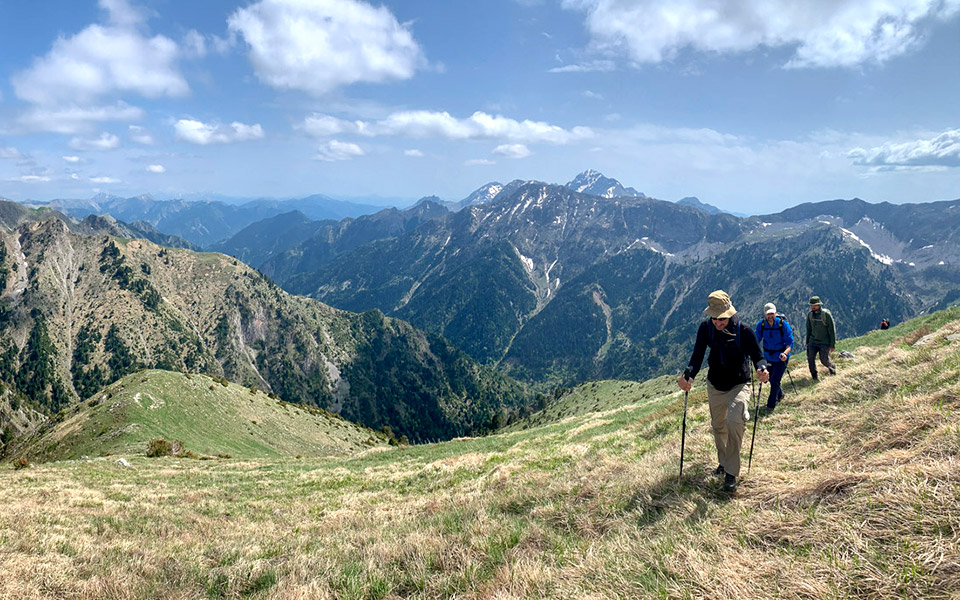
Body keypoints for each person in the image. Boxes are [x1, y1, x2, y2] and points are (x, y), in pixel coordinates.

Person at [677, 290, 769, 492]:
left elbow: (757, 356)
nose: (718, 322)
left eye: (722, 319)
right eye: (714, 318)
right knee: (719, 427)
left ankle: (731, 473)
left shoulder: (744, 331)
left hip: (739, 383)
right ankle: (723, 462)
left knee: (735, 421)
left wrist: (762, 369)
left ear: (730, 314)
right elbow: (697, 356)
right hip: (715, 384)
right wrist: (688, 376)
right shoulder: (706, 329)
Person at [755, 303, 793, 413]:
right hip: (768, 358)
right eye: (768, 314)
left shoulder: (783, 325)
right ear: (764, 314)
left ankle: (771, 405)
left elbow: (790, 342)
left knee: (775, 380)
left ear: (775, 313)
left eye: (772, 314)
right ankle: (780, 395)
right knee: (771, 379)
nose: (770, 316)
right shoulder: (761, 325)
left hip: (781, 358)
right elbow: (756, 340)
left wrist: (785, 354)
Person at [805, 296, 836, 380]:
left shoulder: (826, 315)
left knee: (824, 360)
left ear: (819, 305)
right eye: (811, 305)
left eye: (814, 305)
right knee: (810, 359)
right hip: (813, 341)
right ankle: (814, 376)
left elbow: (831, 330)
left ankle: (832, 367)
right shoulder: (810, 315)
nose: (813, 307)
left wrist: (832, 344)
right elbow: (809, 329)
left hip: (824, 342)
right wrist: (807, 341)